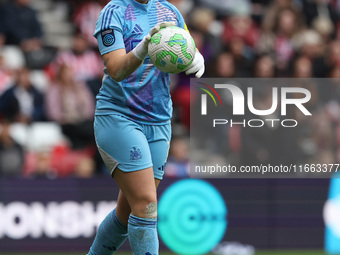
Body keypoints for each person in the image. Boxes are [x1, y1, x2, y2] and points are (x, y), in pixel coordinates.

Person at [87, 0, 204, 254]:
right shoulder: (113, 14)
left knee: (126, 212)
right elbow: (116, 69)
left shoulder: (169, 11)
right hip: (119, 117)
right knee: (147, 204)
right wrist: (143, 48)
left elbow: (185, 43)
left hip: (159, 120)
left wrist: (195, 57)